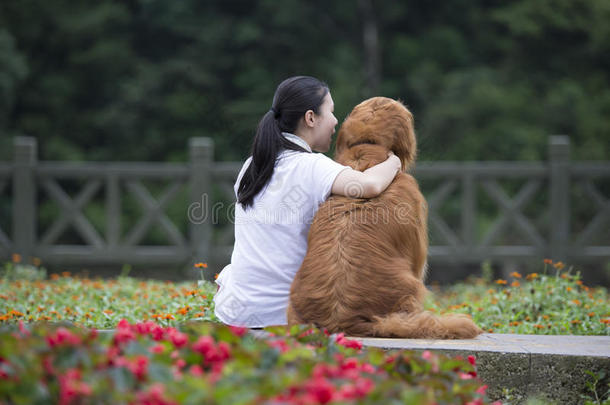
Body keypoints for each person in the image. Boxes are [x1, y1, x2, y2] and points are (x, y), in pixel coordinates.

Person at [213, 76, 402, 327]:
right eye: (331, 112)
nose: (336, 122)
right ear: (311, 118)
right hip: (283, 315)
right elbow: (369, 185)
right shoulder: (312, 166)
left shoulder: (252, 165)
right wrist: (394, 162)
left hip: (235, 312)